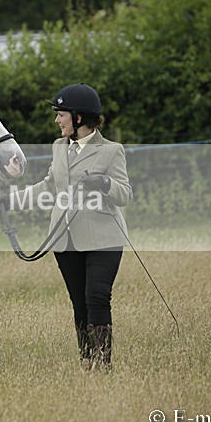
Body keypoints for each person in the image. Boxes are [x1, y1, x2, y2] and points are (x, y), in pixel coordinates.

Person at [13, 83, 132, 371]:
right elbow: (49, 186)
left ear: (79, 117)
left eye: (61, 114)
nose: (57, 120)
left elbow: (124, 194)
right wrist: (11, 201)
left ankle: (103, 364)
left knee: (97, 296)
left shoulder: (111, 151)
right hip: (65, 239)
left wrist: (104, 183)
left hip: (103, 238)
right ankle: (87, 362)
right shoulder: (58, 148)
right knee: (79, 302)